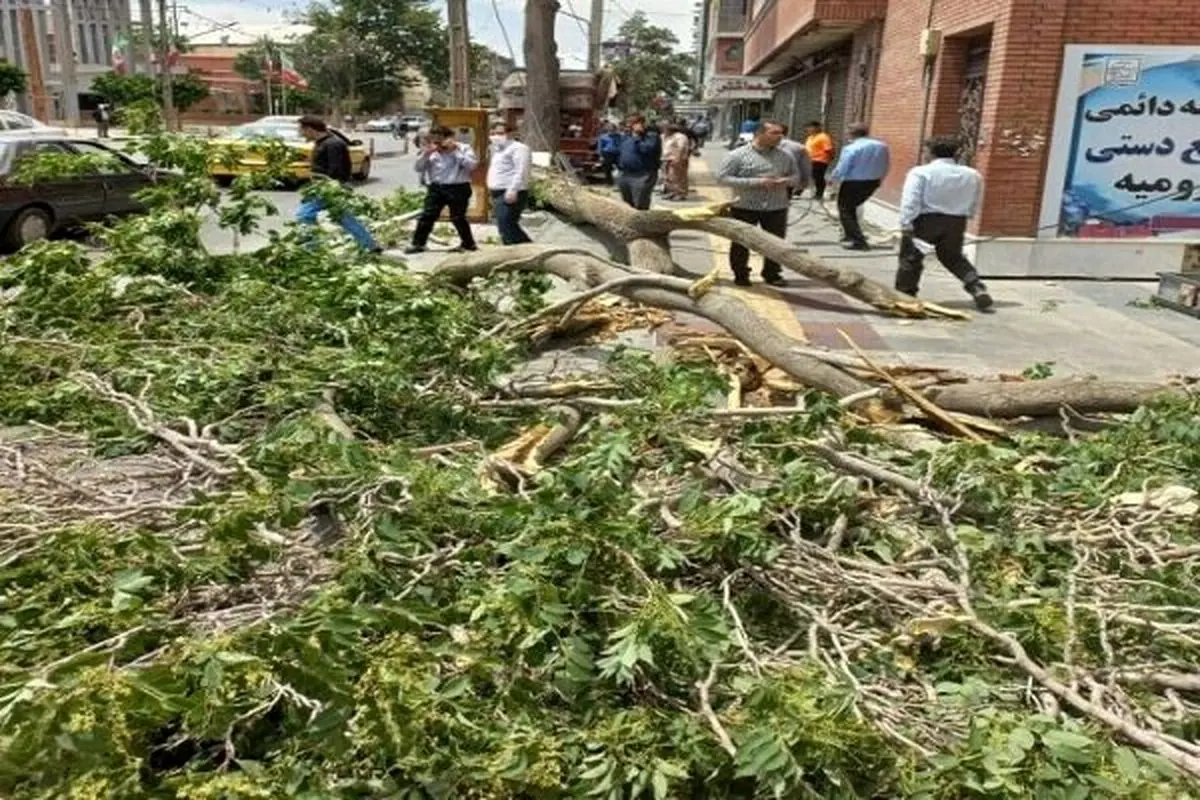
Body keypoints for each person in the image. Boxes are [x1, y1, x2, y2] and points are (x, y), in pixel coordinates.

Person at [896, 135, 994, 311]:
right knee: (953, 257)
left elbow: (911, 200)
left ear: (930, 153)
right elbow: (976, 198)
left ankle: (905, 296)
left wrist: (906, 222)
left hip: (925, 221)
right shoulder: (972, 174)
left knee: (911, 258)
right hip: (956, 221)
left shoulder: (921, 172)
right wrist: (969, 214)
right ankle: (975, 286)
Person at [715, 120, 799, 287]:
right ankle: (740, 273)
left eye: (781, 133)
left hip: (776, 206)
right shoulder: (737, 155)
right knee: (741, 242)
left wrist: (786, 181)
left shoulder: (785, 156)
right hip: (745, 207)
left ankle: (772, 273)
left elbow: (796, 177)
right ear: (760, 134)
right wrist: (757, 182)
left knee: (775, 242)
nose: (780, 137)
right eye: (774, 133)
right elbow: (722, 178)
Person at [295, 115, 382, 253]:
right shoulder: (322, 143)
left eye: (302, 130)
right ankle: (371, 246)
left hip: (329, 188)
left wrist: (329, 187)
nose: (300, 133)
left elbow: (337, 170)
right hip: (324, 187)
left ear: (310, 129)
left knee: (304, 214)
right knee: (344, 218)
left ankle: (312, 250)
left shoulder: (333, 144)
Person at [406, 125, 479, 254]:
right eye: (434, 141)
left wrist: (454, 152)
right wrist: (426, 154)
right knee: (427, 216)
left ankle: (468, 243)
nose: (438, 144)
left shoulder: (463, 148)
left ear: (448, 138)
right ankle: (418, 244)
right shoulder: (430, 151)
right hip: (436, 188)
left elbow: (471, 165)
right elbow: (418, 168)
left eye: (440, 141)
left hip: (458, 187)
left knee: (458, 217)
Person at [829, 122, 890, 250]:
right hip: (872, 182)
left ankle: (859, 241)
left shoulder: (851, 148)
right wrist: (880, 180)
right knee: (851, 209)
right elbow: (886, 164)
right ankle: (850, 234)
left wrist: (833, 179)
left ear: (851, 134)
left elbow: (842, 167)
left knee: (845, 210)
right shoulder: (882, 146)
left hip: (854, 183)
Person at [486, 121, 533, 245]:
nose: (496, 136)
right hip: (497, 191)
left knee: (507, 223)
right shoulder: (496, 149)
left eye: (500, 133)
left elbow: (521, 170)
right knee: (503, 225)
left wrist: (513, 190)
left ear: (511, 133)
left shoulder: (519, 148)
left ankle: (527, 249)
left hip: (511, 191)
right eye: (493, 133)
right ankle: (511, 249)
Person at [616, 115, 661, 210]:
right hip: (625, 174)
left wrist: (637, 137)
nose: (628, 125)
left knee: (640, 204)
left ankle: (642, 223)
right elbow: (620, 151)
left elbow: (646, 149)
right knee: (627, 205)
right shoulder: (625, 137)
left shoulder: (651, 136)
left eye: (632, 122)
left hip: (643, 175)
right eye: (628, 122)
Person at [777, 124, 812, 201]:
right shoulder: (799, 147)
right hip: (788, 179)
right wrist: (804, 182)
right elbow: (805, 168)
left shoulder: (763, 146)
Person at [804, 121, 834, 200]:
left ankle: (819, 194)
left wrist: (830, 158)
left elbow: (829, 149)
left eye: (810, 127)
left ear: (817, 128)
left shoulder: (823, 137)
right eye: (808, 127)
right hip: (810, 160)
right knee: (813, 176)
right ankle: (810, 191)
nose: (808, 129)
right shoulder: (810, 137)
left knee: (818, 177)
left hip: (820, 160)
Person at [662, 122, 692, 201]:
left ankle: (681, 193)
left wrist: (677, 159)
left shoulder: (680, 137)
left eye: (665, 129)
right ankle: (673, 192)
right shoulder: (668, 137)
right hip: (667, 159)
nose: (664, 131)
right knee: (669, 177)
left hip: (677, 159)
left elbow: (681, 148)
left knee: (678, 177)